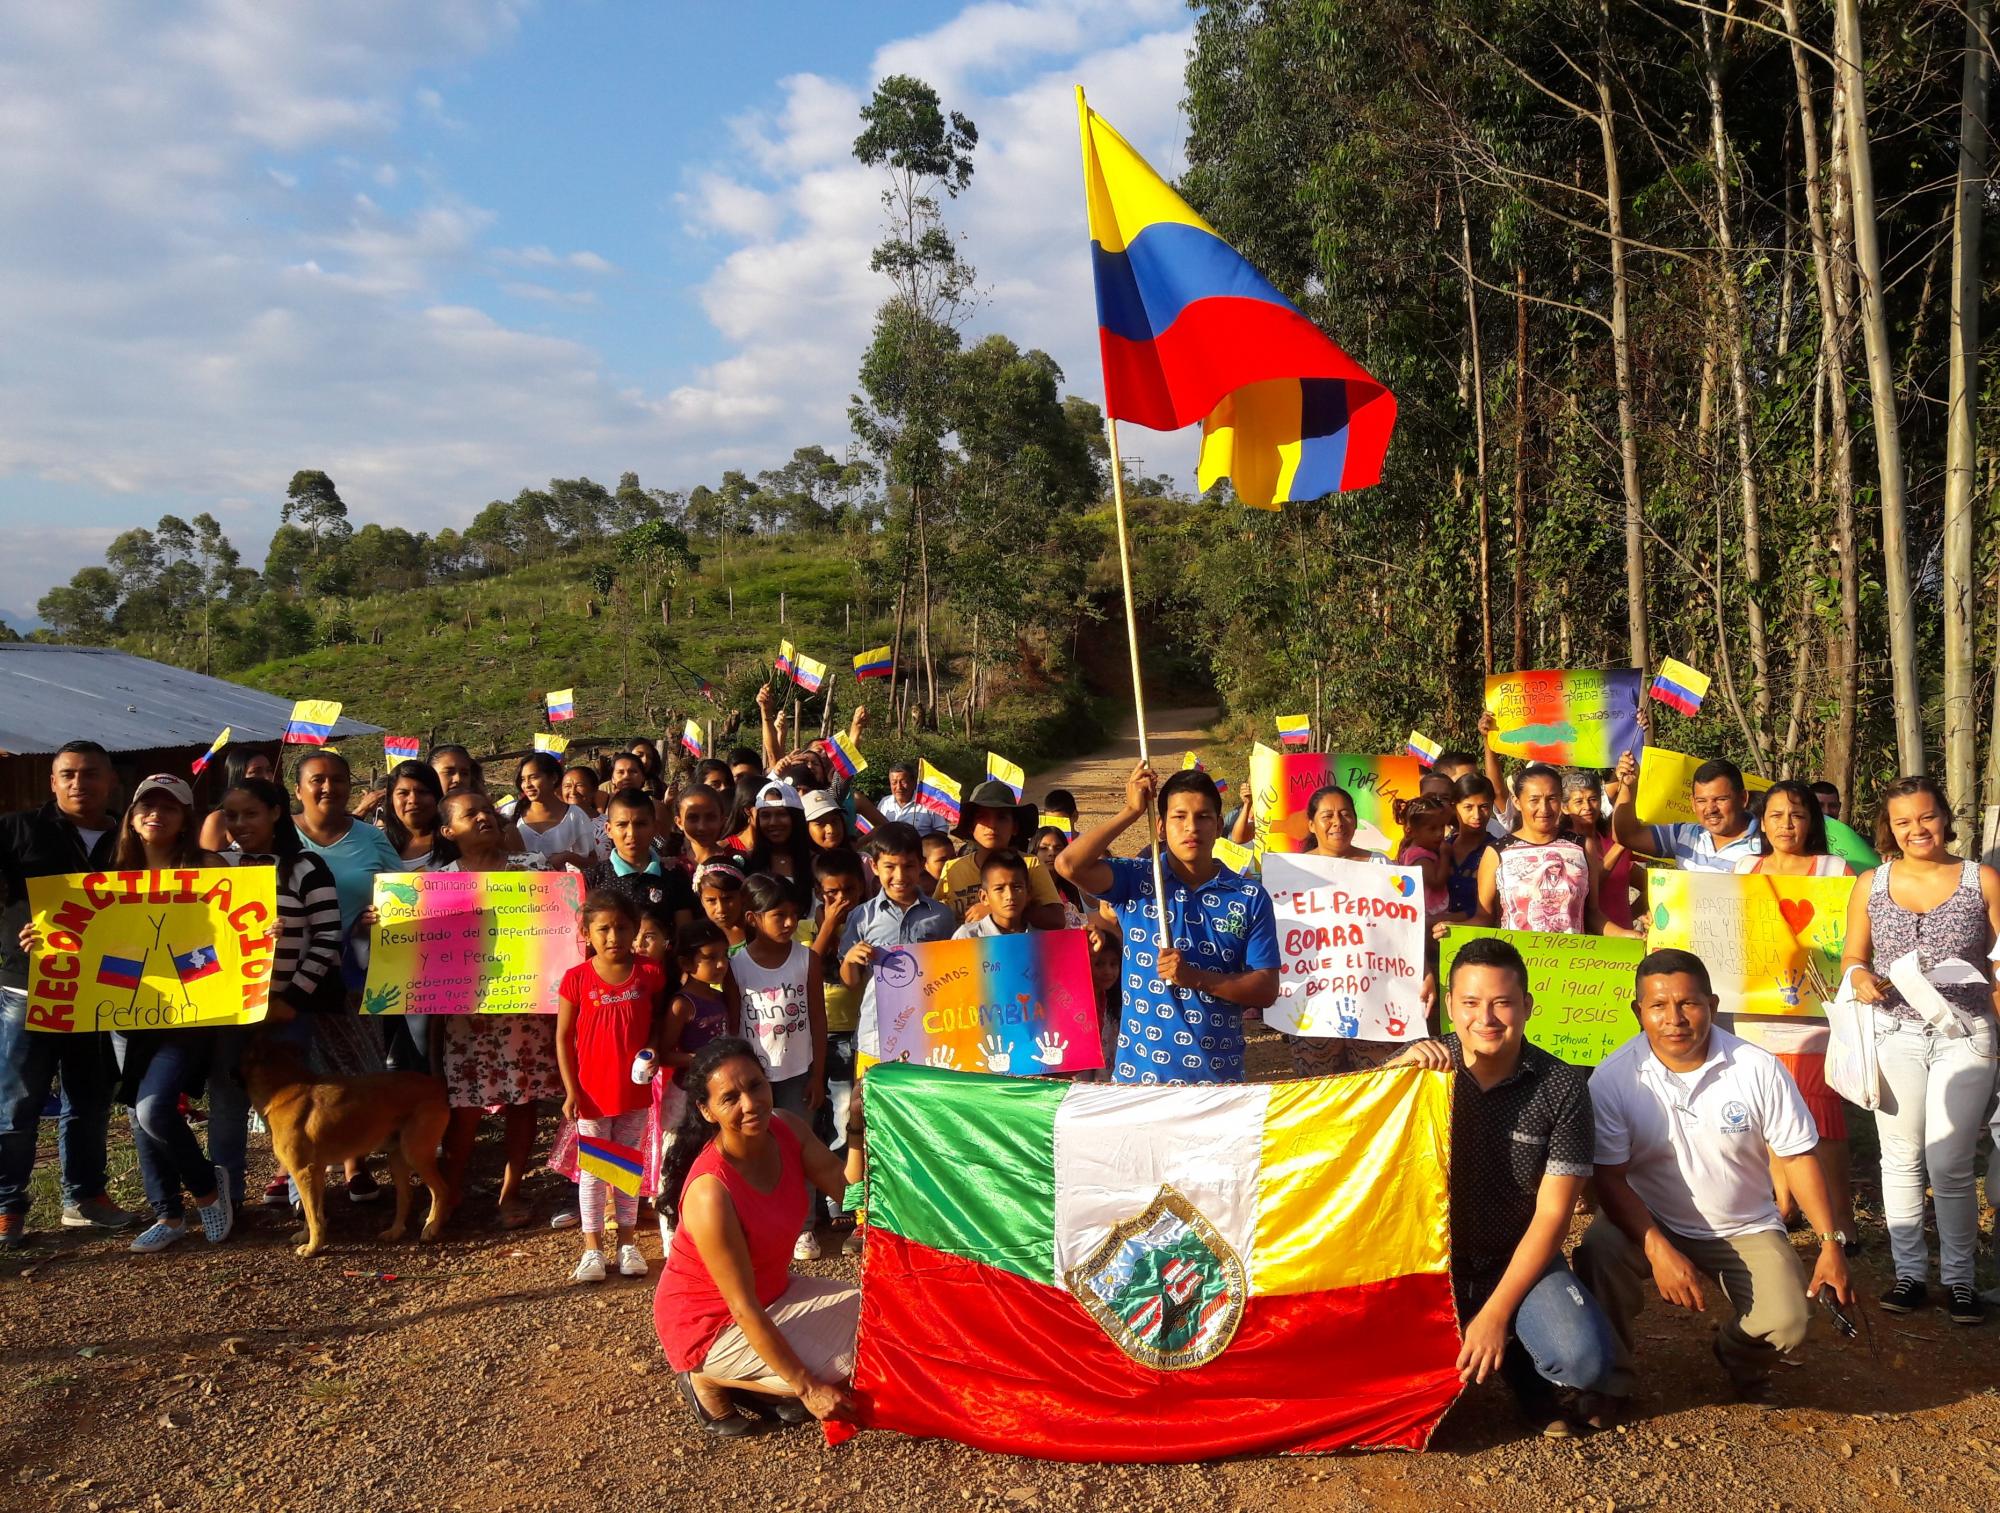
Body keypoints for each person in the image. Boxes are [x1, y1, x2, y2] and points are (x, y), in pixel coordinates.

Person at [1573, 949, 1852, 1407]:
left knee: (1788, 1321)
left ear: (1712, 1005)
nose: (1674, 1018)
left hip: (1744, 1225)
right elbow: (1610, 1178)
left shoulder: (1758, 1067)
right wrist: (1657, 1249)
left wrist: (1830, 1242)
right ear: (1637, 1011)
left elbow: (1799, 1157)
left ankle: (1737, 1353)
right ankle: (1607, 1380)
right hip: (1651, 1219)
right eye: (1659, 1005)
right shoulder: (1613, 1079)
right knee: (1599, 1252)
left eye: (1689, 1003)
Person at [1386, 937, 1616, 1437]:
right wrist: (1389, 1078)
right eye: (1470, 1003)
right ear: (1449, 1006)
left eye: (1502, 1003)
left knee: (1584, 1361)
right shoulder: (1419, 1070)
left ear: (1528, 1006)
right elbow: (1354, 1144)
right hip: (1429, 1261)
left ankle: (1522, 1365)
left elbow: (1555, 1214)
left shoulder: (1562, 1085)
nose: (1485, 1018)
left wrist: (1495, 1314)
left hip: (1517, 1258)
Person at [1839, 775, 2000, 1324]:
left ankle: (1959, 1280)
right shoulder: (1872, 884)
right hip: (1895, 1033)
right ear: (1890, 827)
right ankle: (1909, 1273)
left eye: (1926, 817)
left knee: (1951, 1162)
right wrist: (1859, 977)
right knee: (1901, 1157)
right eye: (1903, 821)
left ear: (1945, 817)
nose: (1916, 830)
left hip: (1965, 1033)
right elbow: (1852, 956)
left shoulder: (1983, 880)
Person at [654, 1037, 859, 1436]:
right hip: (709, 1325)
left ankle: (768, 1384)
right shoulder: (711, 1192)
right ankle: (704, 1378)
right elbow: (742, 1306)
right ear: (706, 1111)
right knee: (856, 1367)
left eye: (755, 1086)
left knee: (880, 1321)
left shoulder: (786, 1126)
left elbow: (849, 1191)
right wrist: (807, 1387)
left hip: (775, 1292)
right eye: (730, 1098)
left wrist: (854, 1123)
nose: (750, 1104)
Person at [1056, 764, 1279, 1085]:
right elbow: (1068, 864)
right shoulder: (1136, 879)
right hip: (1141, 1079)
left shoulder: (1249, 895)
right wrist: (1131, 810)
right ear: (1160, 826)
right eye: (1179, 817)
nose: (1191, 827)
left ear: (1218, 825)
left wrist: (1196, 978)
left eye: (1203, 817)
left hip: (1219, 1082)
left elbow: (1266, 989)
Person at [0, 740, 132, 1247]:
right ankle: (7, 1205)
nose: (80, 783)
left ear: (110, 780)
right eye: (69, 775)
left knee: (90, 1101)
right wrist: (14, 929)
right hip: (29, 989)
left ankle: (85, 1198)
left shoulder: (130, 837)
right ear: (52, 782)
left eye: (91, 774)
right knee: (17, 1105)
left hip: (100, 990)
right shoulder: (17, 830)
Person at [97, 776, 234, 1254]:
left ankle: (208, 1191)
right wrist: (44, 939)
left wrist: (266, 925)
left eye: (169, 808)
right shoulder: (108, 870)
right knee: (138, 1112)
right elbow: (83, 931)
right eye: (146, 806)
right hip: (126, 1005)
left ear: (184, 819)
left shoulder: (208, 865)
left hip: (189, 1007)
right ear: (131, 818)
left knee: (154, 1107)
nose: (156, 814)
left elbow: (238, 929)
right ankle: (168, 1214)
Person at [434, 792, 562, 1229]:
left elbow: (559, 931)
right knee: (465, 1105)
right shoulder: (437, 884)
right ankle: (449, 1190)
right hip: (467, 1017)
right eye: (471, 814)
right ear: (449, 832)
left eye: (488, 810)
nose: (485, 817)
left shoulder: (536, 870)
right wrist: (384, 920)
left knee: (523, 1101)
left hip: (524, 1013)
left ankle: (511, 1190)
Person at [219, 776, 345, 1209]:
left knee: (295, 1106)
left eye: (250, 813)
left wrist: (292, 1000)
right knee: (227, 1105)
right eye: (231, 815)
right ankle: (229, 1199)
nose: (239, 824)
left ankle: (303, 1199)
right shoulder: (217, 867)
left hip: (286, 1011)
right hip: (226, 1010)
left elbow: (328, 937)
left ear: (275, 813)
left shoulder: (306, 867)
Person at [291, 747, 399, 1201]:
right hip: (291, 974)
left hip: (354, 971)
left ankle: (356, 1162)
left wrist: (378, 915)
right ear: (298, 789)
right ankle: (295, 1171)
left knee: (359, 1067)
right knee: (298, 1072)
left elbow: (401, 893)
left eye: (338, 779)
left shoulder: (372, 839)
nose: (328, 787)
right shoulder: (283, 838)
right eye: (317, 779)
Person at [556, 890, 666, 1283]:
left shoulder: (649, 973)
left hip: (634, 1092)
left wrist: (653, 1047)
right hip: (591, 1094)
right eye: (604, 929)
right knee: (594, 1171)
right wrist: (571, 1090)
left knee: (626, 1167)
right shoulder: (576, 979)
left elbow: (657, 1021)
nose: (613, 936)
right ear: (587, 933)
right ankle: (592, 1250)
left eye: (622, 927)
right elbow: (564, 1037)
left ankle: (628, 1244)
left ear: (635, 930)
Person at [840, 823, 957, 1070]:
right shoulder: (862, 916)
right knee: (867, 1105)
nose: (900, 876)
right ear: (874, 866)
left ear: (922, 865)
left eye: (908, 866)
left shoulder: (941, 916)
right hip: (876, 1035)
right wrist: (850, 959)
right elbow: (850, 982)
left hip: (929, 1033)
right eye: (889, 867)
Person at [1476, 765, 1629, 937]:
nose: (1544, 809)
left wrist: (1625, 934)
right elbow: (1484, 917)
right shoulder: (1497, 852)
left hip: (1571, 958)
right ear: (1517, 802)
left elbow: (1592, 913)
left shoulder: (1583, 847)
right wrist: (1450, 927)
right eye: (1534, 800)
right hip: (1515, 960)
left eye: (1552, 799)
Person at [808, 848, 865, 1255]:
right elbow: (810, 963)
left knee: (848, 1115)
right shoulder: (807, 926)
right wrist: (828, 922)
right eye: (831, 893)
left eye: (848, 891)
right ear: (819, 893)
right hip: (815, 1034)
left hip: (854, 1031)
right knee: (818, 1116)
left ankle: (841, 1196)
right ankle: (826, 1194)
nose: (841, 899)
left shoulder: (865, 924)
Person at [734, 875, 825, 1129]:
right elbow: (732, 1023)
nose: (790, 922)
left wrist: (817, 1076)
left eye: (794, 914)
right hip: (751, 1076)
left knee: (797, 1137)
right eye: (779, 915)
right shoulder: (736, 965)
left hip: (799, 1075)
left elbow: (818, 1019)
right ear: (753, 918)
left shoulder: (807, 959)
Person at [933, 781, 1065, 930]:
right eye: (982, 817)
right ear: (971, 826)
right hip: (964, 951)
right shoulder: (953, 869)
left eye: (1001, 817)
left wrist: (997, 911)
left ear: (1014, 827)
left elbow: (1057, 919)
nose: (992, 825)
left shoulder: (1030, 865)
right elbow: (933, 918)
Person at [1610, 752, 1760, 872]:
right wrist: (1628, 787)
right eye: (1702, 801)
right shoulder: (1683, 835)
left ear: (1743, 798)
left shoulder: (1767, 845)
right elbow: (1626, 836)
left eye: (1720, 799)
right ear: (1693, 803)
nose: (1710, 809)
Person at [582, 789, 696, 937]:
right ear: (608, 829)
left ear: (655, 828)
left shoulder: (674, 874)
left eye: (640, 824)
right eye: (622, 825)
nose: (632, 833)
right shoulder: (592, 878)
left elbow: (684, 934)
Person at [1563, 770, 1637, 931]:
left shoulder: (1610, 838)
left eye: (1592, 799)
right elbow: (1592, 883)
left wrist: (1637, 912)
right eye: (1579, 801)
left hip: (1625, 940)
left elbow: (1643, 881)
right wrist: (1622, 843)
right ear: (1565, 808)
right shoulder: (1564, 846)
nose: (1587, 807)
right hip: (1585, 943)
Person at [1737, 781, 1852, 880]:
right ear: (1763, 823)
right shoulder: (1745, 868)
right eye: (1776, 816)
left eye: (1797, 816)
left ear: (1811, 823)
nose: (1786, 825)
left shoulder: (1835, 870)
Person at [511, 752, 595, 871]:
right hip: (522, 886)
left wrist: (567, 857)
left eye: (534, 777)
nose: (527, 785)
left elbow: (592, 861)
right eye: (523, 779)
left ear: (554, 778)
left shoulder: (575, 815)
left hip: (561, 887)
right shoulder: (512, 813)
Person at [1439, 774, 1498, 928]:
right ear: (1454, 807)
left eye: (1484, 807)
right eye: (1468, 807)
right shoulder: (1441, 849)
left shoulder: (1499, 852)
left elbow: (1493, 910)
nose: (1477, 815)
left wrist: (1449, 920)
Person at [746, 782, 816, 911]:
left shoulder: (815, 862)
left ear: (796, 818)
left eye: (781, 814)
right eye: (765, 816)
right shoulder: (747, 861)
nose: (773, 822)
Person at [196, 745, 277, 852]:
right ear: (237, 775)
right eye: (257, 771)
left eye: (269, 770)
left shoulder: (281, 814)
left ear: (276, 813)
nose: (267, 777)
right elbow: (209, 866)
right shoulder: (217, 820)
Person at [379, 760, 451, 869]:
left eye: (423, 792)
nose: (413, 800)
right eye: (403, 793)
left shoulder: (458, 841)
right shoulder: (375, 843)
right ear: (391, 799)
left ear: (436, 796)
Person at [952, 849, 1040, 938]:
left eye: (1017, 887)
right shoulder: (968, 936)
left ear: (1028, 893)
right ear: (984, 897)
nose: (1009, 896)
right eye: (999, 888)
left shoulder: (1042, 939)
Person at [1394, 795, 1452, 925]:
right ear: (1411, 831)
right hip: (1429, 913)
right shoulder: (1420, 856)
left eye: (1442, 827)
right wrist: (1445, 855)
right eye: (1432, 829)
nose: (1439, 834)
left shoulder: (1413, 849)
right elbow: (1436, 883)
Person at [1301, 786, 1386, 862]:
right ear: (1312, 826)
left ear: (1355, 822)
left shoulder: (1379, 863)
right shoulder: (1297, 867)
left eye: (1345, 814)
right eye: (1327, 816)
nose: (1338, 822)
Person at [877, 762, 948, 839]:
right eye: (894, 783)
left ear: (914, 782)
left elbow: (941, 831)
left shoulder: (929, 803)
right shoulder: (884, 803)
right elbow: (876, 828)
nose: (899, 787)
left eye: (903, 782)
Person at [697, 860, 751, 952]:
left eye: (728, 899)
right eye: (711, 900)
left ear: (743, 896)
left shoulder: (760, 932)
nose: (721, 909)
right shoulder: (700, 937)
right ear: (702, 901)